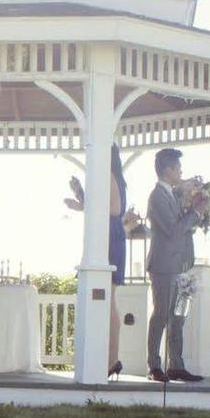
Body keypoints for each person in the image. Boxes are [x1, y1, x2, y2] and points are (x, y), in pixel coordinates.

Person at [65, 143, 128, 377]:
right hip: (111, 234)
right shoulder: (113, 176)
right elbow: (101, 206)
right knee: (108, 299)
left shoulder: (109, 175)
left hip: (109, 236)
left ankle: (111, 359)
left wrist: (80, 203)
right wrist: (80, 194)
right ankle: (110, 358)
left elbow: (111, 209)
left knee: (108, 299)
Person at [146, 146, 202, 383]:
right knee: (161, 315)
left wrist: (192, 202)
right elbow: (172, 230)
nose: (181, 171)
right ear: (168, 170)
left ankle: (176, 365)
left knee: (178, 317)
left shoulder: (171, 194)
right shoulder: (157, 196)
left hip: (181, 265)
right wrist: (196, 213)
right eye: (178, 167)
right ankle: (154, 366)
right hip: (164, 266)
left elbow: (183, 225)